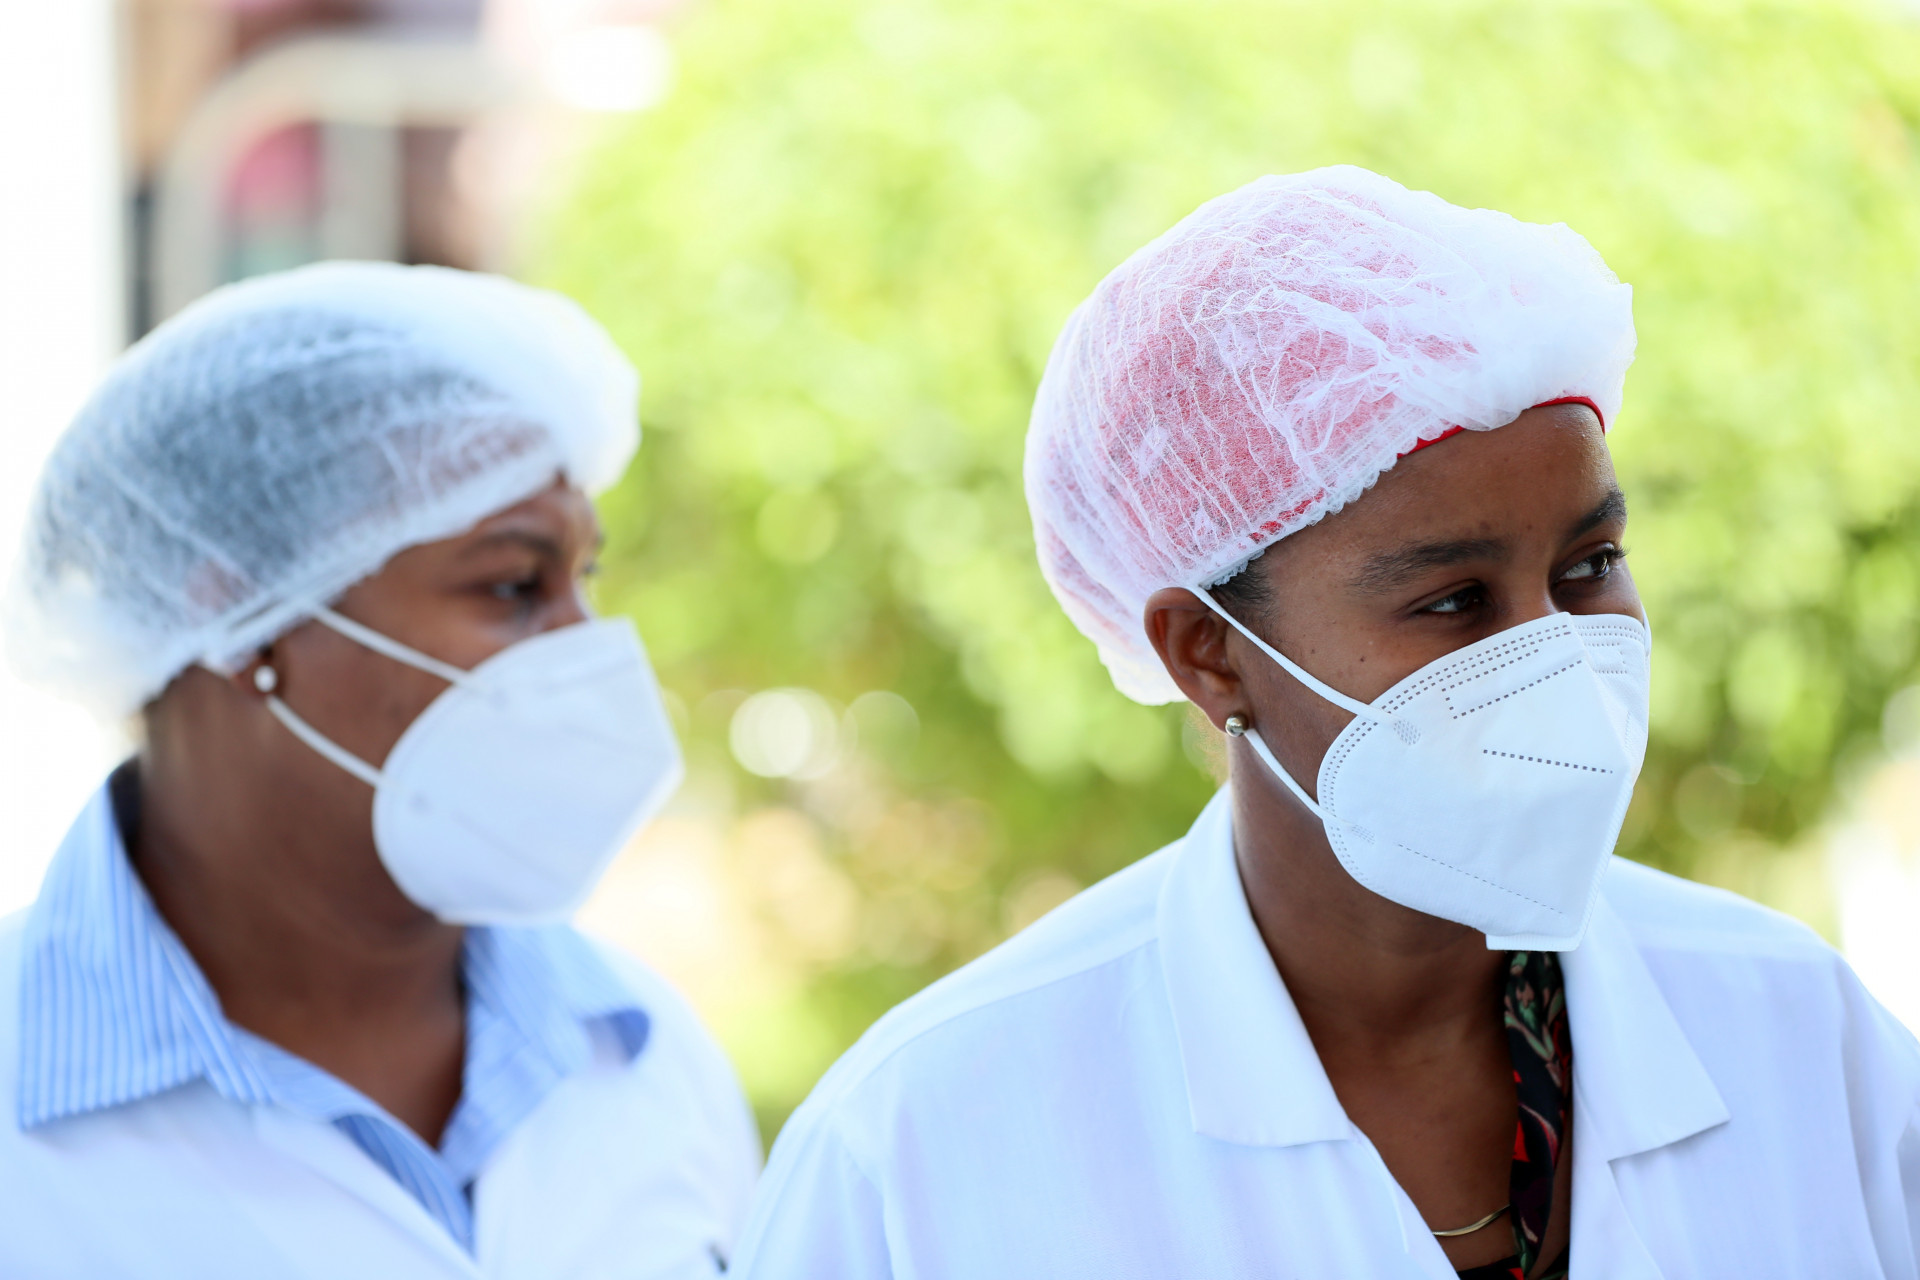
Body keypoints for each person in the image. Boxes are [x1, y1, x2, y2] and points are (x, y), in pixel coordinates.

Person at [728, 168, 1920, 1277]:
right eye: (1452, 600)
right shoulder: (927, 1146)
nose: (1553, 648)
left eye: (1589, 564)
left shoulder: (1803, 1035)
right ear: (1208, 655)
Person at [0, 262, 758, 1277]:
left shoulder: (649, 1056)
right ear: (242, 617)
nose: (589, 648)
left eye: (585, 577)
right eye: (513, 584)